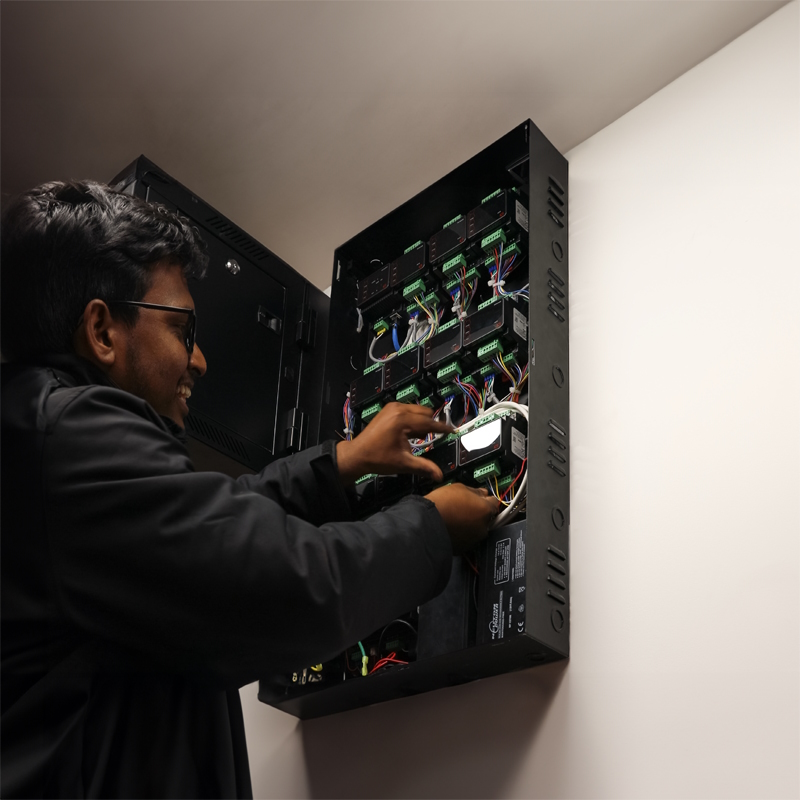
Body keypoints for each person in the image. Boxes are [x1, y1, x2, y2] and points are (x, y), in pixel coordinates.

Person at [0, 180, 499, 798]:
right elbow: (281, 585)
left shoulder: (38, 437)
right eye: (183, 328)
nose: (201, 360)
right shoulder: (69, 431)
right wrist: (430, 528)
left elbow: (202, 539)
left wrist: (340, 463)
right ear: (103, 330)